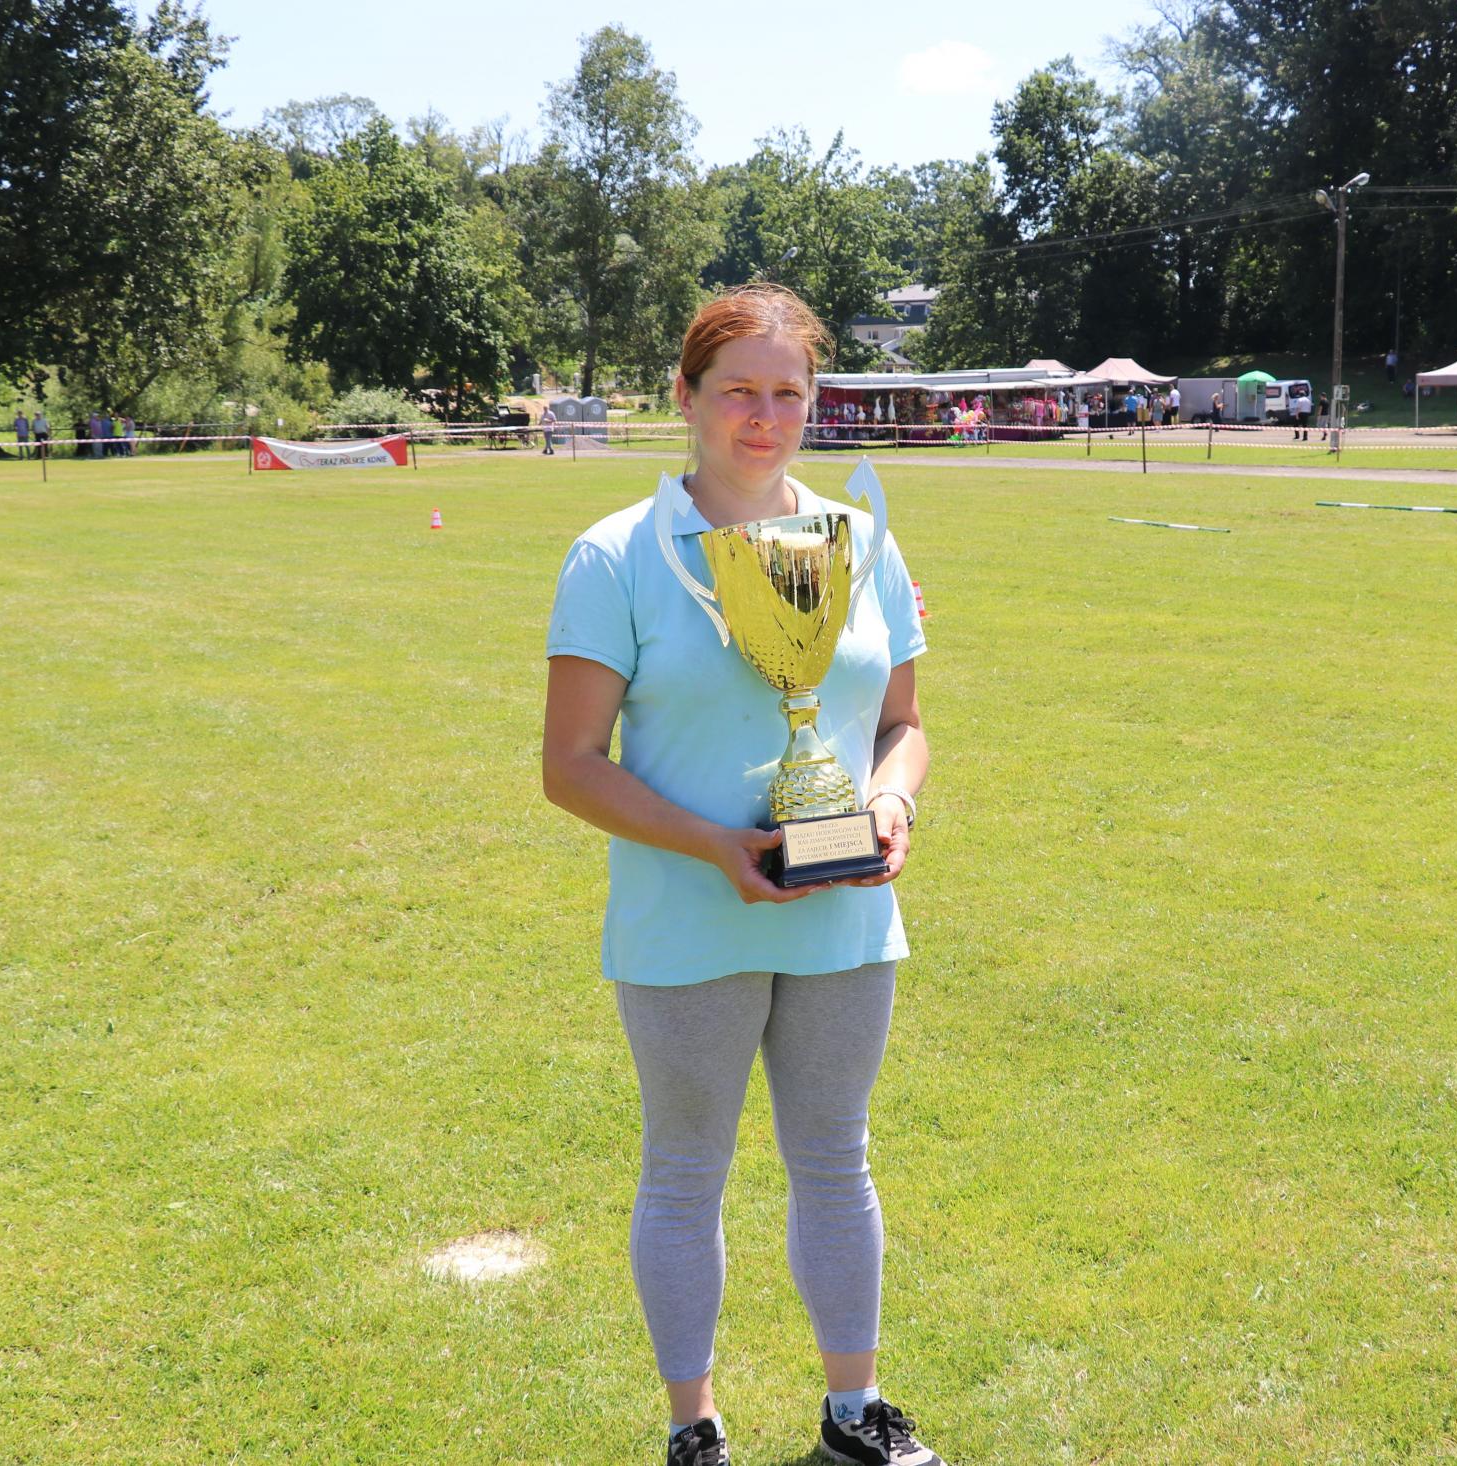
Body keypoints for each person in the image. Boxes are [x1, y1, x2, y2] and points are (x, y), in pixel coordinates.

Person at [542, 283, 941, 1466]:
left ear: (814, 400)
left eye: (787, 392)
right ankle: (694, 1426)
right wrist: (714, 845)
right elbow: (569, 764)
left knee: (836, 1159)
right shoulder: (615, 554)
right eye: (736, 391)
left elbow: (903, 724)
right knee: (685, 1173)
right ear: (685, 396)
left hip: (841, 911)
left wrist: (890, 802)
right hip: (687, 913)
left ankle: (854, 1414)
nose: (763, 417)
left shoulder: (861, 539)